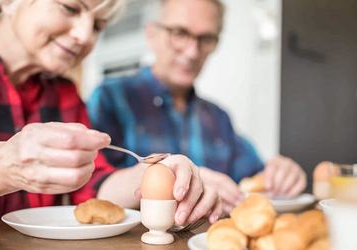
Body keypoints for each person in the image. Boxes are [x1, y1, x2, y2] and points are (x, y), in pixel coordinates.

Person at [0, 0, 224, 225]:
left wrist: (161, 174)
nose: (85, 37)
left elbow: (90, 187)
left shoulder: (63, 92)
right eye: (71, 8)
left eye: (97, 25)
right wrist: (2, 165)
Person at [87, 0, 307, 214]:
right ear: (151, 33)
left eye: (206, 38)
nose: (193, 52)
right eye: (180, 33)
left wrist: (278, 174)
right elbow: (90, 190)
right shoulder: (111, 99)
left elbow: (254, 179)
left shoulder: (218, 117)